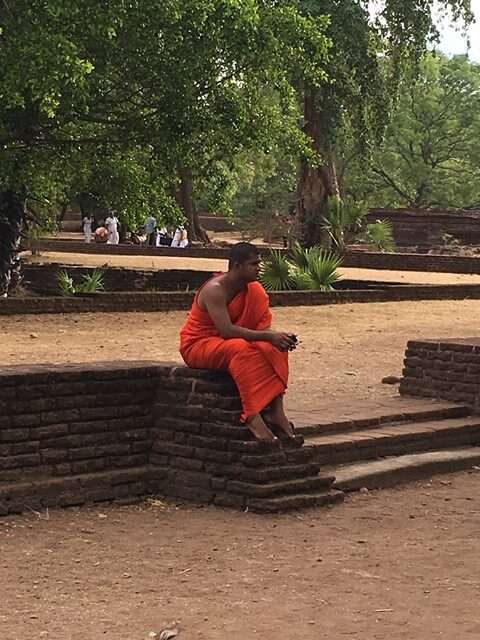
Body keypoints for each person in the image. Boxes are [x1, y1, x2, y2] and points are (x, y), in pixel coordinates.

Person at [180, 242, 297, 442]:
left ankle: (276, 411)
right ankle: (252, 415)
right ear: (236, 266)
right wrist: (269, 336)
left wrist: (279, 338)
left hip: (229, 342)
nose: (258, 268)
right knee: (240, 348)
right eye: (253, 264)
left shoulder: (255, 290)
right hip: (199, 345)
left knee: (276, 348)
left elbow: (261, 328)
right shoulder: (214, 289)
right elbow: (226, 331)